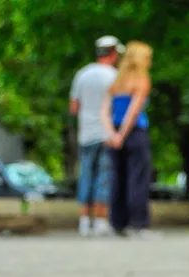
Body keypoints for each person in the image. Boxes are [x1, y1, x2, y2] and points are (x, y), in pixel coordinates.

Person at [70, 36, 123, 236]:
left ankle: (84, 222)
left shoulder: (82, 74)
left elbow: (74, 107)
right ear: (113, 53)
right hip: (106, 134)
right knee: (104, 177)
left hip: (85, 133)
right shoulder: (113, 76)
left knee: (86, 175)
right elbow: (116, 107)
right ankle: (101, 222)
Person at [100, 41, 154, 237]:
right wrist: (123, 134)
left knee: (117, 178)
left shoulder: (117, 81)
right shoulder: (142, 80)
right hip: (134, 132)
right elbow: (134, 111)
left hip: (113, 132)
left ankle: (117, 223)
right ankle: (138, 224)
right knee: (138, 178)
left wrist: (112, 134)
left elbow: (104, 111)